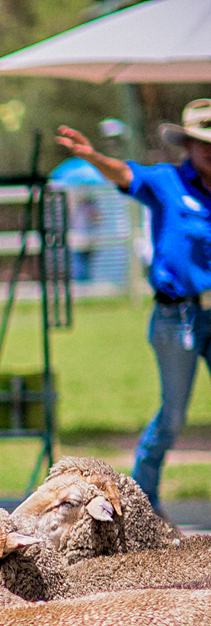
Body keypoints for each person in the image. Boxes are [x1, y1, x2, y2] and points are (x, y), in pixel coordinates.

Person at [59, 101, 211, 511]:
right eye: (202, 143)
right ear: (188, 146)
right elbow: (125, 174)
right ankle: (142, 502)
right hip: (177, 314)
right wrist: (92, 157)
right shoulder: (168, 182)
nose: (209, 151)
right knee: (174, 415)